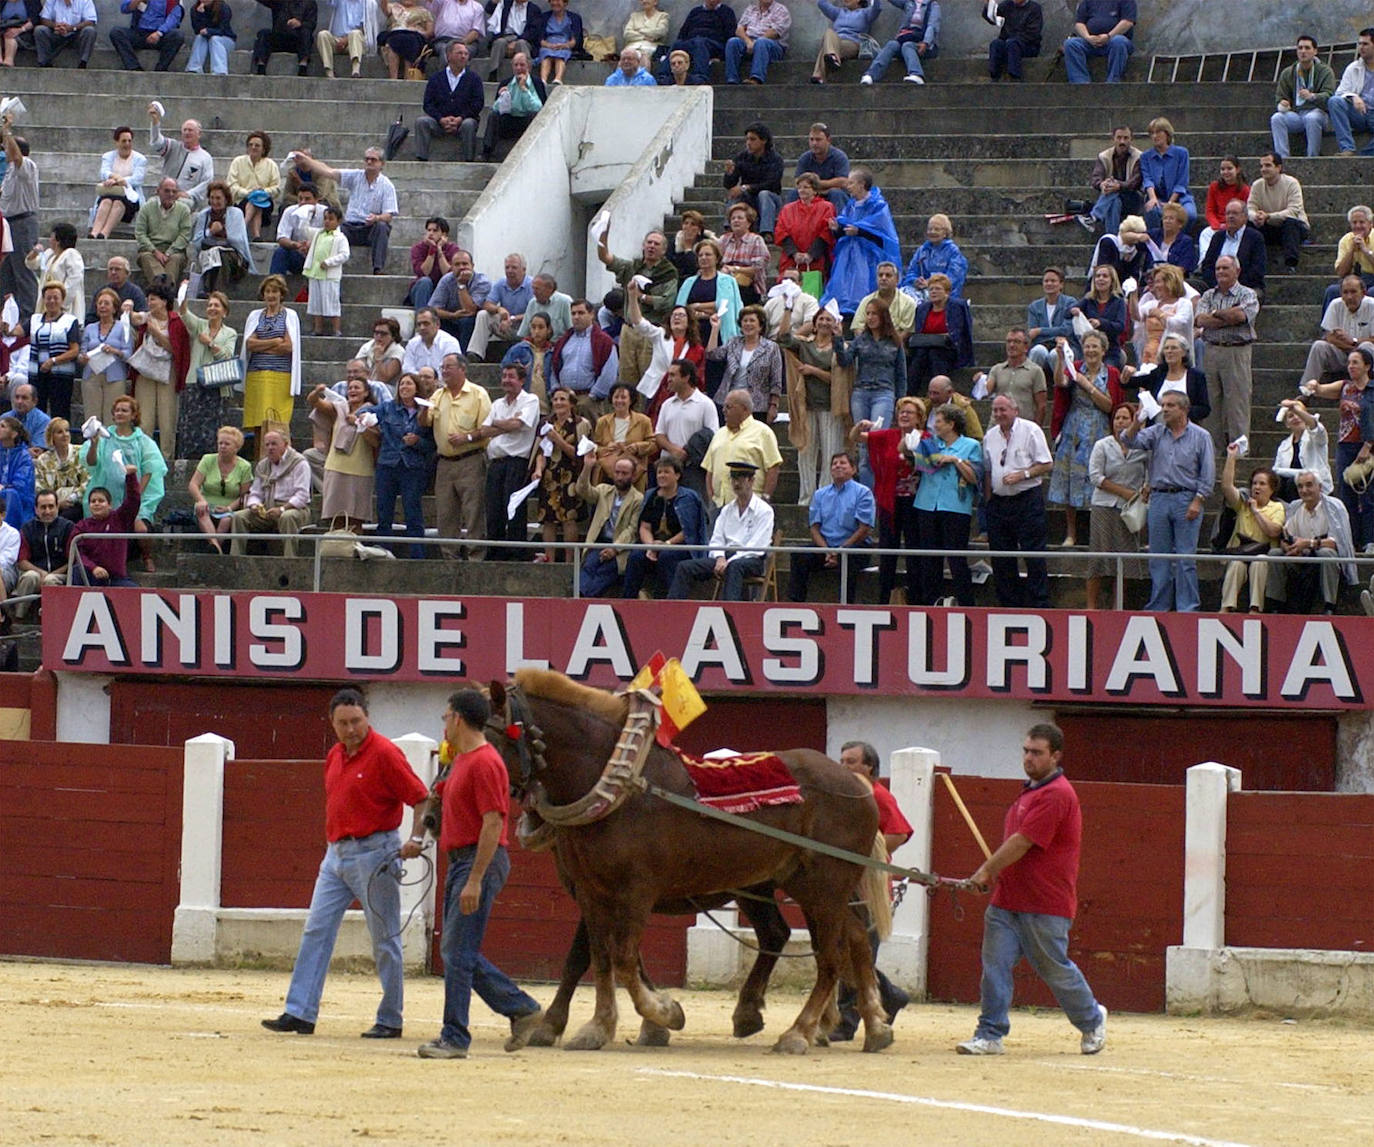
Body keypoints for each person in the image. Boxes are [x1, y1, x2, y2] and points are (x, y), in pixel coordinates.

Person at [263, 688, 430, 1040]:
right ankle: (300, 1013)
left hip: (376, 853)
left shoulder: (385, 753)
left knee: (385, 938)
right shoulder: (334, 756)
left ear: (367, 716)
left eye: (356, 721)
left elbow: (421, 799)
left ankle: (390, 1019)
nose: (351, 729)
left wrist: (415, 839)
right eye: (343, 723)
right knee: (316, 930)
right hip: (336, 854)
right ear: (332, 723)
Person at [956, 723, 1107, 1058]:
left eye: (1037, 753)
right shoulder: (1032, 791)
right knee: (994, 967)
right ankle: (990, 1033)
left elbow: (1023, 842)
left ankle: (1092, 1019)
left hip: (1045, 902)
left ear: (1055, 756)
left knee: (1054, 969)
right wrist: (992, 875)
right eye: (1026, 751)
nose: (1028, 758)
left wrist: (986, 870)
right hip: (1008, 900)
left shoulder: (1057, 794)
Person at [417, 689, 543, 1059]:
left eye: (445, 717)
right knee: (457, 951)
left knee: (457, 953)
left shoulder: (485, 762)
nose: (443, 723)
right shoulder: (463, 760)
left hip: (476, 862)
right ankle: (520, 1009)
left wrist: (474, 878)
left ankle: (456, 1037)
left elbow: (493, 823)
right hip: (463, 861)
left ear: (458, 719)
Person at [830, 740, 912, 1040]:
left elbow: (899, 832)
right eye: (841, 761)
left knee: (857, 950)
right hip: (849, 882)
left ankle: (847, 1021)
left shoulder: (877, 795)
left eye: (851, 761)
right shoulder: (847, 795)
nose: (844, 767)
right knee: (850, 951)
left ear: (870, 768)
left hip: (869, 886)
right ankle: (890, 997)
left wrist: (868, 857)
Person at [1120, 391, 1214, 612]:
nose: (1165, 409)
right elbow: (1128, 440)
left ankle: (1187, 607)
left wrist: (1198, 500)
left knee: (1185, 558)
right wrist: (1137, 421)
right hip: (1160, 497)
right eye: (1163, 405)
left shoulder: (1201, 436)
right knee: (1158, 556)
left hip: (1186, 497)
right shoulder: (1157, 432)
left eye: (1170, 405)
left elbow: (1208, 473)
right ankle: (1159, 605)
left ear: (1184, 409)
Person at [1049, 331, 1121, 548]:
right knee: (1071, 478)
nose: (1090, 350)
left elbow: (1109, 405)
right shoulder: (1076, 367)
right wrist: (1061, 357)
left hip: (1099, 428)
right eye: (1087, 346)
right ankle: (1070, 533)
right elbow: (1061, 382)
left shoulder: (1111, 373)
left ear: (1103, 350)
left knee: (1099, 480)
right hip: (1074, 428)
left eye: (1094, 347)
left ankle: (1098, 534)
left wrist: (1087, 386)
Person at [851, 397, 923, 603]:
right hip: (890, 500)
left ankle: (916, 598)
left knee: (914, 550)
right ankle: (884, 598)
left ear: (919, 418)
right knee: (887, 549)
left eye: (909, 412)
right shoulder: (888, 435)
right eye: (901, 412)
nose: (904, 415)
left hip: (916, 502)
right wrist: (860, 426)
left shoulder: (925, 438)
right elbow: (856, 438)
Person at [668, 459, 773, 599]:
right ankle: (672, 611)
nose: (736, 483)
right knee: (685, 567)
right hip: (726, 556)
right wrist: (720, 557)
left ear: (751, 481)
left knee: (734, 567)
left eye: (741, 479)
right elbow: (717, 538)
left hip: (751, 558)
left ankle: (730, 613)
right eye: (733, 479)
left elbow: (757, 546)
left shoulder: (764, 510)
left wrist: (728, 561)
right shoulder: (727, 510)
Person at [1303, 348, 1374, 553]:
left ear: (1367, 366)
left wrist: (1368, 446)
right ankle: (1350, 538)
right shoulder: (1345, 387)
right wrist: (1313, 384)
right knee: (1346, 493)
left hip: (1368, 446)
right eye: (1349, 362)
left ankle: (1370, 539)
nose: (1351, 366)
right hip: (1346, 444)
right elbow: (1321, 389)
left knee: (1368, 493)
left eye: (1356, 363)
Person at [421, 352, 491, 560]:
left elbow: (487, 429)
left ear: (462, 369)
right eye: (442, 367)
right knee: (445, 513)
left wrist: (466, 437)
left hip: (470, 459)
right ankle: (449, 557)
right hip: (444, 462)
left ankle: (475, 557)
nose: (444, 371)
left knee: (473, 510)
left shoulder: (478, 394)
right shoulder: (438, 395)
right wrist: (423, 409)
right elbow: (425, 422)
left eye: (449, 367)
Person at [910, 401, 980, 605]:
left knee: (956, 557)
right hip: (927, 504)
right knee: (930, 557)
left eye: (939, 422)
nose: (935, 425)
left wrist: (956, 461)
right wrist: (938, 457)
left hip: (955, 507)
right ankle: (931, 601)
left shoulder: (971, 445)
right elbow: (921, 465)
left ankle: (966, 603)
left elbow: (974, 477)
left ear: (951, 424)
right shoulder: (929, 443)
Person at [595, 223, 678, 386]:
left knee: (647, 376)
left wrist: (642, 297)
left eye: (656, 244)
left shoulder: (669, 273)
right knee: (627, 377)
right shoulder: (632, 267)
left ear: (663, 250)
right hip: (629, 329)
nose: (651, 246)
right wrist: (603, 234)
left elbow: (667, 302)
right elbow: (605, 256)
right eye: (649, 242)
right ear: (643, 245)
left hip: (651, 330)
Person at [294, 148, 397, 276]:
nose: (369, 162)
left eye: (373, 160)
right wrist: (306, 160)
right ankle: (324, 265)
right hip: (350, 227)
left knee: (382, 227)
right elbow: (329, 172)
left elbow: (389, 215)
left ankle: (378, 268)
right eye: (367, 159)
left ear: (382, 164)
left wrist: (376, 218)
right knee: (333, 229)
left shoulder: (387, 185)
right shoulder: (355, 176)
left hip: (370, 228)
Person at [778, 302, 842, 505]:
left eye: (828, 319)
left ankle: (825, 497)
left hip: (830, 406)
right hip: (807, 406)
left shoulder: (840, 349)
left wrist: (813, 371)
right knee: (805, 452)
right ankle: (806, 497)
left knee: (830, 453)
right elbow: (783, 339)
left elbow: (840, 379)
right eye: (821, 319)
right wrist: (788, 308)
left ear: (835, 324)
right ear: (814, 324)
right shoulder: (805, 344)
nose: (824, 322)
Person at [787, 451, 872, 602]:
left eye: (843, 463)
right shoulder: (820, 494)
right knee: (799, 555)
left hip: (854, 545)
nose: (838, 466)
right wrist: (827, 550)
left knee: (848, 559)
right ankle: (796, 603)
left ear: (854, 469)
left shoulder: (863, 493)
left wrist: (840, 550)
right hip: (825, 547)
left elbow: (864, 528)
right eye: (834, 463)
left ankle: (846, 606)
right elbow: (814, 527)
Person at [1195, 255, 1260, 453]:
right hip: (1211, 350)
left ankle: (1239, 452)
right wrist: (1227, 316)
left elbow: (1241, 316)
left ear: (1237, 271)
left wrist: (1215, 314)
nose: (1220, 272)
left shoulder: (1248, 294)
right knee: (1211, 404)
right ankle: (1213, 451)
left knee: (1237, 404)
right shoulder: (1207, 295)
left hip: (1237, 351)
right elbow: (1200, 320)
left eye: (1225, 268)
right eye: (1218, 268)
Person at [1084, 402, 1145, 610]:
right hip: (1104, 506)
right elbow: (1095, 476)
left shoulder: (1142, 447)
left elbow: (1150, 474)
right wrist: (1123, 491)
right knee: (1099, 558)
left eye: (1124, 418)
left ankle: (1117, 606)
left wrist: (1143, 491)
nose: (1120, 422)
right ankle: (1091, 605)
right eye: (1117, 418)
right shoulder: (1103, 445)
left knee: (1126, 559)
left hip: (1130, 510)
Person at [476, 362, 539, 559]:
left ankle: (516, 553)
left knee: (514, 509)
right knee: (494, 508)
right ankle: (495, 552)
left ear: (521, 380)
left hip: (517, 462)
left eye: (511, 376)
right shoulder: (497, 404)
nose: (506, 380)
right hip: (496, 462)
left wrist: (498, 423)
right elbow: (484, 430)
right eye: (504, 376)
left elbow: (519, 424)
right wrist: (508, 425)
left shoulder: (530, 400)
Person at [621, 454, 706, 598]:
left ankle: (664, 599)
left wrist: (666, 544)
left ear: (677, 475)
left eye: (666, 472)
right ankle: (628, 600)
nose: (661, 475)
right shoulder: (651, 495)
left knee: (666, 556)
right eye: (659, 472)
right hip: (654, 546)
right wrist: (650, 546)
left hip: (680, 547)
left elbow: (688, 531)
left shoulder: (688, 498)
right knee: (636, 556)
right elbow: (644, 526)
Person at [838, 295, 903, 485]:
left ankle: (881, 488)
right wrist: (838, 338)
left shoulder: (894, 341)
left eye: (874, 314)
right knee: (864, 444)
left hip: (884, 392)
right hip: (861, 392)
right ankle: (867, 491)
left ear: (883, 316)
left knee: (878, 439)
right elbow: (845, 360)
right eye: (867, 314)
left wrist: (901, 399)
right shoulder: (860, 339)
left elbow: (901, 373)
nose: (870, 317)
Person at [821, 169, 901, 319]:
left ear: (862, 184)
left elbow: (882, 234)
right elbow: (844, 229)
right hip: (848, 255)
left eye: (851, 183)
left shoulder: (878, 205)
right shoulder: (850, 206)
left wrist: (860, 231)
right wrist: (836, 229)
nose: (848, 186)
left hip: (868, 256)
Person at [240, 274, 302, 459]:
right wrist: (275, 341)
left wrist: (263, 345)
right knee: (259, 423)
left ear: (281, 294)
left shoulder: (289, 315)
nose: (271, 295)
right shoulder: (255, 316)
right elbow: (249, 344)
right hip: (256, 374)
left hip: (280, 375)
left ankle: (283, 461)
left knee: (278, 422)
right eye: (268, 291)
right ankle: (261, 461)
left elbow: (289, 347)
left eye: (274, 291)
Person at [1217, 446, 1284, 614]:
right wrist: (1231, 456)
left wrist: (1255, 511)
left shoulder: (1277, 507)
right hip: (1242, 551)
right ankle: (1226, 607)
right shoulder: (1242, 504)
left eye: (1262, 484)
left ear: (1272, 488)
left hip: (1264, 553)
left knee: (1259, 562)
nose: (1257, 487)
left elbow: (1273, 532)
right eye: (1254, 483)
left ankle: (1255, 608)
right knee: (1237, 564)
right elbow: (1226, 486)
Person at [1279, 470, 1357, 613]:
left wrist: (1309, 544)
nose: (1304, 490)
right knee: (1274, 554)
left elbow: (1337, 542)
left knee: (1326, 553)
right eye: (1300, 486)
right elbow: (1286, 536)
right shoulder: (1295, 507)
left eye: (1309, 485)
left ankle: (1329, 605)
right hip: (1300, 558)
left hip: (1324, 558)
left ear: (1320, 487)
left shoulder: (1335, 506)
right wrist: (1288, 547)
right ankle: (1274, 603)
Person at [229, 427, 312, 555]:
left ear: (285, 444)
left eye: (274, 444)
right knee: (239, 517)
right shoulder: (263, 466)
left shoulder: (299, 463)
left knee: (287, 517)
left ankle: (290, 560)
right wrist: (254, 505)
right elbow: (255, 492)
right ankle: (236, 558)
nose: (270, 448)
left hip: (294, 508)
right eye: (267, 444)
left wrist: (282, 509)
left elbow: (302, 495)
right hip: (267, 507)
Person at [176, 288, 237, 461]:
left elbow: (227, 355)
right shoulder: (200, 326)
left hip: (217, 386)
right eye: (209, 305)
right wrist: (184, 294)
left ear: (224, 311)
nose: (212, 308)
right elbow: (184, 313)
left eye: (216, 305)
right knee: (190, 426)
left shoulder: (229, 333)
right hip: (194, 383)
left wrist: (209, 343)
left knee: (213, 429)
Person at [531, 386, 588, 562]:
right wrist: (538, 470)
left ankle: (570, 560)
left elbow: (579, 454)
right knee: (548, 519)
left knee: (569, 518)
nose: (558, 403)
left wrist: (559, 440)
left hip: (570, 474)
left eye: (563, 399)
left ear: (571, 403)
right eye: (555, 399)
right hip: (549, 475)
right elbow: (540, 451)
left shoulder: (581, 424)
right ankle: (550, 559)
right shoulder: (546, 423)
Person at [575, 453, 643, 595]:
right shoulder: (603, 490)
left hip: (621, 548)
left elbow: (632, 529)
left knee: (608, 570)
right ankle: (581, 596)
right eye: (617, 472)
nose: (619, 477)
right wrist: (587, 467)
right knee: (588, 566)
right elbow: (582, 490)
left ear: (633, 475)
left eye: (624, 473)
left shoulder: (638, 499)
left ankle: (583, 598)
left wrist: (614, 549)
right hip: (598, 543)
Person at [701, 388, 781, 506]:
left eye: (729, 407)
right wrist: (711, 496)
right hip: (718, 505)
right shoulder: (719, 433)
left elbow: (773, 467)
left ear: (744, 409)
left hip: (750, 505)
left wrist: (765, 497)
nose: (723, 411)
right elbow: (709, 469)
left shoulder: (763, 433)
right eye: (724, 407)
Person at [653, 358, 718, 501]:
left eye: (672, 375)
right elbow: (659, 434)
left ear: (686, 377)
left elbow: (712, 435)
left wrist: (688, 452)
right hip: (668, 467)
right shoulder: (667, 404)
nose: (668, 379)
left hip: (693, 469)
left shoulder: (706, 404)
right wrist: (673, 450)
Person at [706, 303, 782, 422]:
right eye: (744, 321)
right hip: (729, 403)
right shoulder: (733, 343)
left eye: (752, 321)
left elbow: (776, 381)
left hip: (757, 407)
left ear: (760, 326)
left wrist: (773, 406)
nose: (747, 324)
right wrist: (715, 329)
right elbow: (712, 355)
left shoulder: (771, 348)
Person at [68, 465, 142, 586]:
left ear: (110, 504)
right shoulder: (82, 526)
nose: (97, 504)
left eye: (101, 501)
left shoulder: (120, 518)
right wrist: (94, 568)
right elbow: (76, 553)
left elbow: (134, 500)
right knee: (77, 571)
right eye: (93, 501)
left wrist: (131, 476)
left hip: (117, 579)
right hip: (91, 576)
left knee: (135, 593)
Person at [906, 275, 972, 401]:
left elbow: (957, 333)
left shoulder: (957, 306)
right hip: (925, 349)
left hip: (948, 348)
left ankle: (941, 394)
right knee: (920, 356)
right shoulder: (922, 308)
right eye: (931, 289)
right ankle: (910, 395)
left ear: (947, 292)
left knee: (935, 354)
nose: (933, 292)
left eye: (937, 289)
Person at [548, 299, 618, 415]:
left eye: (581, 313)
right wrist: (556, 392)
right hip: (563, 400)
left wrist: (592, 397)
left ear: (591, 314)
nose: (576, 317)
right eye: (573, 313)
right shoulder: (563, 341)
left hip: (589, 401)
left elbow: (609, 373)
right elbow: (554, 367)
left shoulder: (603, 341)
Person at [417, 41, 484, 162]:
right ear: (448, 56)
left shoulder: (474, 79)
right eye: (459, 53)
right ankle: (421, 158)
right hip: (439, 121)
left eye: (466, 54)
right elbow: (428, 104)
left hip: (463, 121)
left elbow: (478, 103)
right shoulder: (436, 78)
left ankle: (468, 160)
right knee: (422, 122)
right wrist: (441, 119)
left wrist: (460, 118)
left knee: (469, 124)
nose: (463, 56)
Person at [0, 117, 39, 324]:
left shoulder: (27, 167)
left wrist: (7, 132)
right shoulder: (10, 173)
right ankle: (7, 316)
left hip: (22, 224)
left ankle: (27, 318)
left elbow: (16, 155)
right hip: (8, 224)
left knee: (24, 272)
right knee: (6, 273)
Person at [189, 425, 251, 553]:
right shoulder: (208, 459)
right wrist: (201, 500)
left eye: (227, 444)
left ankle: (214, 548)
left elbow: (244, 495)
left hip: (229, 507)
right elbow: (193, 484)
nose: (222, 446)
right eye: (220, 443)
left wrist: (229, 508)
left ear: (236, 447)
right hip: (207, 504)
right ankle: (217, 548)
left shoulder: (244, 466)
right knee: (202, 512)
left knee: (226, 519)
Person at [1271, 34, 1335, 160]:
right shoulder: (1288, 72)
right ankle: (1283, 159)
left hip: (1320, 113)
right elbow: (1280, 96)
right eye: (1300, 48)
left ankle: (1312, 158)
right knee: (1277, 118)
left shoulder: (1325, 71)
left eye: (1307, 48)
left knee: (1312, 118)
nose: (1303, 51)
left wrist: (1312, 96)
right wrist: (1283, 104)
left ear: (1315, 51)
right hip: (1298, 114)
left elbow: (1329, 96)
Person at [190, 180, 257, 297]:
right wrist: (210, 231)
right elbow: (196, 242)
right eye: (212, 198)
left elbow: (238, 240)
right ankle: (215, 292)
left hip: (234, 257)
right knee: (214, 254)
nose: (215, 202)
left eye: (218, 198)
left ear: (226, 199)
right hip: (207, 254)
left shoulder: (236, 213)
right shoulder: (203, 215)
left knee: (220, 254)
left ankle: (214, 292)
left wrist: (223, 231)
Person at [1304, 274, 1374, 386]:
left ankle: (1368, 389)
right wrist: (1352, 347)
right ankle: (1306, 390)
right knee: (1319, 346)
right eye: (1345, 292)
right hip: (1341, 354)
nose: (1349, 297)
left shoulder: (1372, 306)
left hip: (1365, 356)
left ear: (1363, 293)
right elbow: (1329, 337)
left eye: (1353, 292)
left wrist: (1353, 341)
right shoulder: (1335, 305)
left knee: (1367, 346)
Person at [1247, 152, 1309, 275]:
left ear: (1278, 167)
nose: (1263, 169)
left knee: (1291, 223)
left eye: (1268, 165)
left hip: (1294, 228)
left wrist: (1269, 216)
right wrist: (1256, 217)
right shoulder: (1257, 185)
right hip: (1269, 226)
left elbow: (1294, 210)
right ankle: (1252, 265)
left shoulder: (1291, 183)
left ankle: (1290, 265)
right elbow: (1250, 207)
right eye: (1262, 166)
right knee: (1249, 225)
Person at [27, 282, 81, 422]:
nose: (51, 301)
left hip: (60, 375)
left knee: (60, 412)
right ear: (43, 300)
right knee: (36, 410)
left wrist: (53, 361)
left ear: (62, 300)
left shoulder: (70, 321)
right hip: (37, 374)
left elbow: (74, 350)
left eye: (55, 298)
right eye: (48, 298)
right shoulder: (35, 319)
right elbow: (17, 332)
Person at [1130, 333, 1210, 425]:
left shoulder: (1196, 376)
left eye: (1173, 348)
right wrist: (1127, 375)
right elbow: (1132, 382)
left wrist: (1180, 412)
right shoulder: (1158, 374)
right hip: (1157, 428)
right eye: (1166, 348)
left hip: (1185, 428)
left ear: (1184, 352)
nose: (1169, 351)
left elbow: (1204, 409)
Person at [14, 489, 72, 616]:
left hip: (61, 576)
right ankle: (19, 618)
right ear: (36, 509)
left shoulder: (68, 527)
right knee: (29, 576)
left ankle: (51, 620)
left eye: (51, 506)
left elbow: (73, 560)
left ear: (57, 507)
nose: (47, 511)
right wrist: (42, 573)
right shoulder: (27, 528)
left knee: (51, 580)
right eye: (43, 507)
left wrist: (51, 575)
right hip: (37, 574)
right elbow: (22, 561)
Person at [723, 123, 783, 243]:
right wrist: (729, 174)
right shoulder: (742, 157)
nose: (748, 143)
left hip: (770, 199)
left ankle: (766, 231)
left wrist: (746, 187)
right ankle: (729, 227)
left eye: (753, 139)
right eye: (747, 139)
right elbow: (730, 185)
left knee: (764, 194)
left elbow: (771, 183)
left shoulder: (775, 159)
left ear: (764, 140)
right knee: (736, 194)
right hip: (749, 197)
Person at [480, 51, 545, 160]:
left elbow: (539, 108)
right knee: (493, 116)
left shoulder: (537, 83)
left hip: (527, 121)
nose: (519, 68)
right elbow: (496, 109)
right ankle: (486, 153)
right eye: (516, 65)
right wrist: (501, 97)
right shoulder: (506, 83)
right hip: (509, 120)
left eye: (522, 65)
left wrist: (524, 89)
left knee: (534, 116)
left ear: (528, 66)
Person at [1128, 263, 1192, 371]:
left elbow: (1178, 324)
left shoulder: (1184, 304)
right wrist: (1133, 294)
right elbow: (1136, 316)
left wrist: (1160, 314)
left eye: (1158, 281)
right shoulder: (1152, 304)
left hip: (1172, 356)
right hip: (1149, 355)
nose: (1155, 286)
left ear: (1170, 282)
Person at [147, 105, 214, 206]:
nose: (187, 132)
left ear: (199, 134)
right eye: (184, 130)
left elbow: (207, 182)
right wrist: (155, 122)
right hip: (164, 195)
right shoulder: (172, 146)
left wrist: (188, 194)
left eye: (190, 130)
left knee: (180, 207)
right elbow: (157, 142)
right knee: (150, 205)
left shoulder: (205, 157)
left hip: (186, 198)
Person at [861, 0, 938, 87]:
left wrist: (926, 42)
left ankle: (917, 74)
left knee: (907, 46)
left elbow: (932, 26)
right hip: (905, 38)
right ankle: (871, 75)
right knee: (891, 44)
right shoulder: (909, 3)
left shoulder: (933, 6)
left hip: (924, 45)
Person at [592, 382, 655, 489]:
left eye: (623, 397)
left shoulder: (643, 420)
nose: (619, 401)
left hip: (634, 474)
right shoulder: (602, 421)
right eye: (616, 397)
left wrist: (637, 447)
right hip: (607, 473)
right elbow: (595, 447)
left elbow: (653, 445)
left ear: (631, 400)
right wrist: (607, 448)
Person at [1197, 197, 1266, 294]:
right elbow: (1207, 266)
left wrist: (1234, 287)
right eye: (1228, 213)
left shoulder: (1255, 237)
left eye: (1235, 213)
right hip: (1217, 288)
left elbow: (1257, 269)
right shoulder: (1218, 237)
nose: (1230, 216)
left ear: (1245, 217)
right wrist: (1218, 286)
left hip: (1246, 288)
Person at [90, 126, 148, 241]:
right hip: (110, 192)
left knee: (118, 203)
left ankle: (104, 233)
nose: (127, 144)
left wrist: (120, 181)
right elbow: (104, 172)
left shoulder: (140, 159)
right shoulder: (108, 156)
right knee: (106, 201)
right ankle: (94, 232)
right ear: (117, 142)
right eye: (124, 141)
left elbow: (138, 178)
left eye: (129, 141)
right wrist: (114, 178)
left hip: (130, 196)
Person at [1137, 116, 1195, 231]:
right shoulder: (1145, 157)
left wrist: (1170, 203)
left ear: (1167, 133)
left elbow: (1181, 182)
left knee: (1190, 215)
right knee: (1151, 211)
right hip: (1158, 197)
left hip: (1179, 197)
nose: (1154, 136)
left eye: (1158, 132)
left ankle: (1177, 243)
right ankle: (1156, 245)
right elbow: (1147, 180)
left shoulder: (1181, 153)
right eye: (1152, 133)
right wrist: (1153, 198)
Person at [134, 177, 194, 286]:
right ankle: (164, 288)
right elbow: (140, 233)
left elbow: (185, 235)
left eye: (174, 191)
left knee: (175, 259)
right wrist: (155, 251)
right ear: (158, 191)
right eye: (166, 190)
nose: (170, 194)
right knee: (146, 257)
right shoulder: (146, 208)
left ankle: (161, 290)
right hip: (150, 250)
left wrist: (168, 253)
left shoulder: (184, 210)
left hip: (175, 251)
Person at [775, 175, 836, 280]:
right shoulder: (787, 209)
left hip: (816, 260)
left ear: (815, 190)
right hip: (791, 260)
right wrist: (794, 253)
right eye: (799, 187)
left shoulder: (827, 207)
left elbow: (826, 232)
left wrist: (811, 254)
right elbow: (781, 231)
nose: (802, 190)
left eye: (806, 187)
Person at [981, 327, 1045, 427]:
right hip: (997, 426)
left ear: (1026, 347)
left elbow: (1041, 405)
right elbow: (985, 392)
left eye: (1017, 342)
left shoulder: (1035, 371)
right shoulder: (996, 369)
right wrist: (980, 380)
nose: (1011, 345)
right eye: (1009, 341)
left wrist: (1035, 429)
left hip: (1023, 427)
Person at [662, 0, 735, 84]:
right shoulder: (695, 11)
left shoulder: (727, 12)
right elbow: (683, 32)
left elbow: (730, 35)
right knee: (677, 44)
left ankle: (700, 76)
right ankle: (663, 76)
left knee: (699, 42)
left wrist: (721, 57)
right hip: (692, 41)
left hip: (714, 44)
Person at [303, 204, 349, 337]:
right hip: (315, 272)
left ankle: (336, 329)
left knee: (332, 301)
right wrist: (308, 215)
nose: (327, 222)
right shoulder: (319, 233)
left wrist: (329, 262)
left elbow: (344, 255)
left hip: (329, 274)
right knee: (316, 302)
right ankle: (318, 329)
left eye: (331, 219)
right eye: (325, 219)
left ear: (338, 221)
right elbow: (304, 229)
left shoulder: (340, 237)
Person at [1061, 0, 1133, 85]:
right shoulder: (1087, 2)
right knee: (1070, 44)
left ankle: (1113, 82)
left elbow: (1127, 22)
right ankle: (1080, 83)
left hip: (1113, 41)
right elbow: (1079, 23)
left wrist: (1108, 36)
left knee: (1119, 41)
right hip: (1090, 42)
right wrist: (1087, 37)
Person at [1272, 399, 1331, 500]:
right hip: (1290, 491)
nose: (1296, 417)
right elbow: (1276, 470)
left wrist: (1295, 409)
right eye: (1291, 416)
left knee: (1294, 482)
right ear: (1287, 424)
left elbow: (1315, 427)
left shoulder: (1316, 437)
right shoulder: (1284, 445)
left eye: (1299, 414)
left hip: (1316, 489)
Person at [227, 131, 280, 242]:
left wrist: (263, 191)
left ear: (264, 149)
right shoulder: (238, 162)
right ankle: (256, 235)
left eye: (257, 145)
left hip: (264, 202)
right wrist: (247, 193)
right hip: (241, 201)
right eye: (250, 145)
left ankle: (242, 228)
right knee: (254, 202)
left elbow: (276, 188)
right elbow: (231, 185)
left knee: (256, 201)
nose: (253, 147)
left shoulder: (271, 165)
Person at [1329, 27, 1374, 157]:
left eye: (1365, 44)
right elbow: (1340, 92)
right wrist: (1353, 96)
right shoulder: (1353, 68)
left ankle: (1365, 155)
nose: (1361, 47)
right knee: (1334, 102)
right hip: (1359, 113)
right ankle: (1347, 148)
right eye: (1359, 44)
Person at [811, 0, 880, 85]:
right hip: (836, 42)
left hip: (852, 43)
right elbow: (821, 3)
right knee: (828, 33)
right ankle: (832, 58)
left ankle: (819, 75)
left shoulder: (865, 13)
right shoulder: (839, 12)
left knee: (826, 47)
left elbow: (877, 8)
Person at [1071, 264, 1127, 368]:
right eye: (1098, 276)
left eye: (1105, 276)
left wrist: (1101, 323)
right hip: (1090, 350)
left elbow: (1120, 326)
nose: (1100, 279)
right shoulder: (1088, 300)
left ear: (1112, 281)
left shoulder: (1119, 302)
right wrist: (1075, 310)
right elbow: (1067, 313)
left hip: (1110, 350)